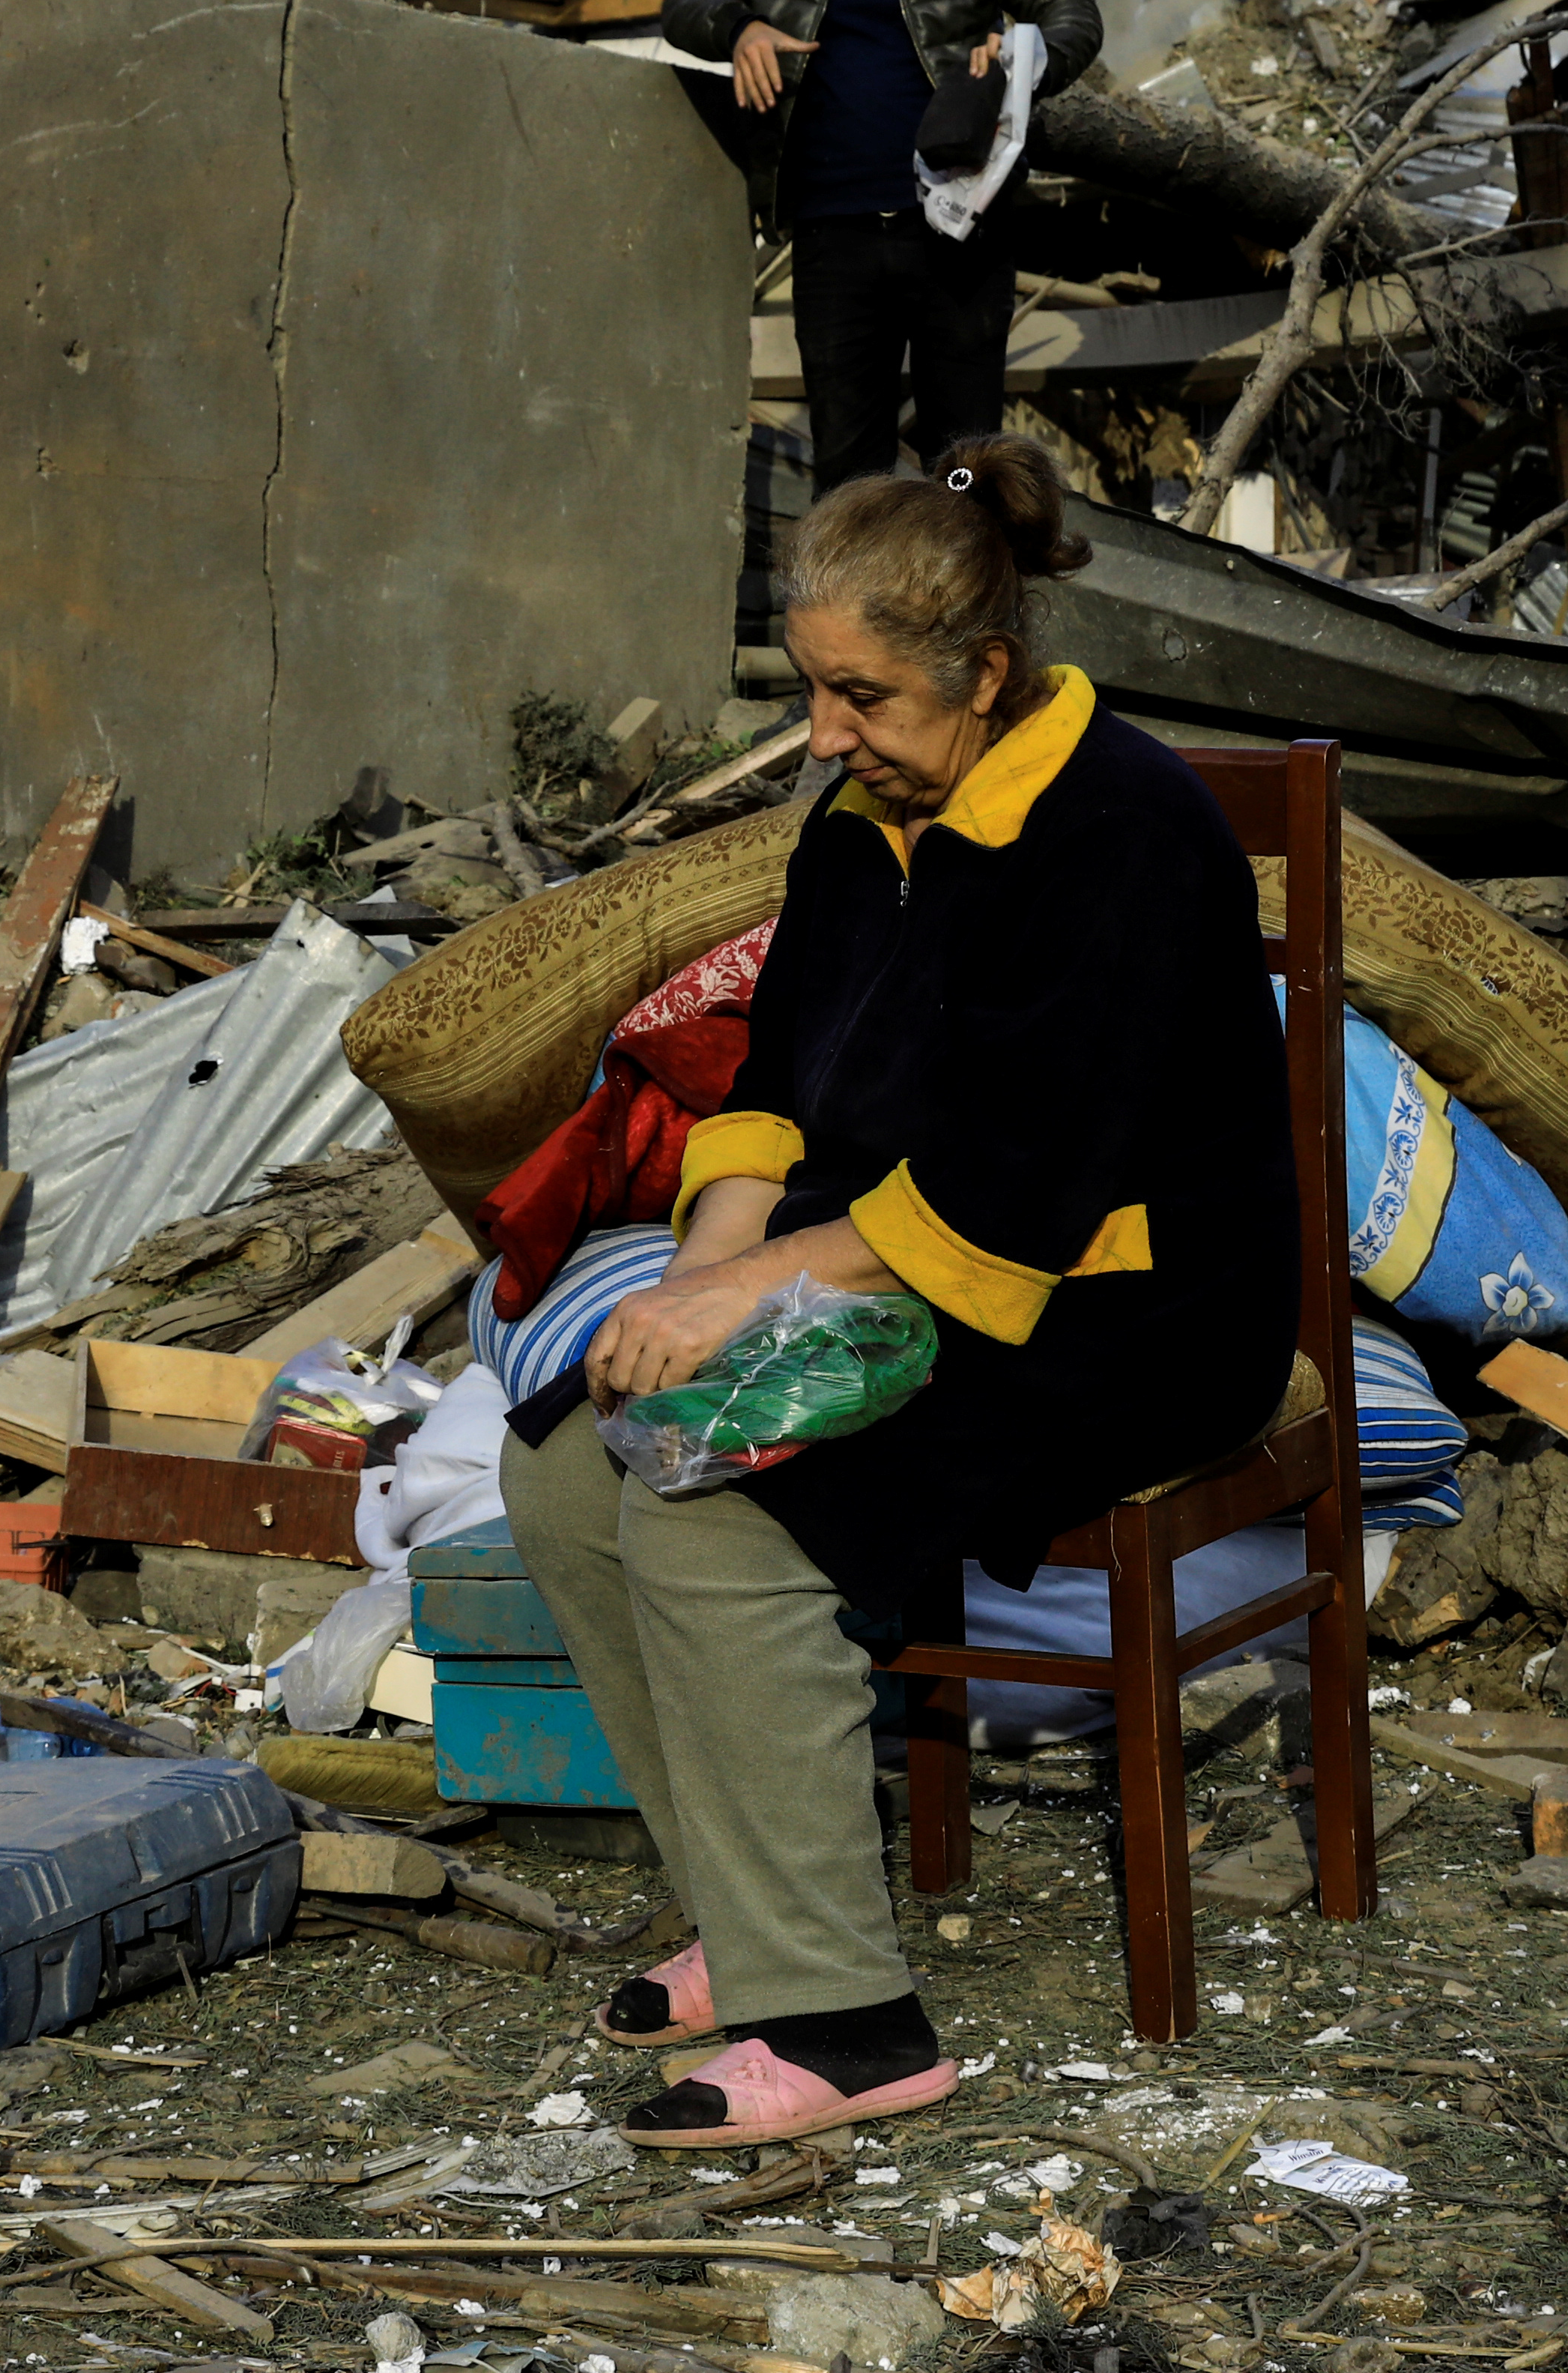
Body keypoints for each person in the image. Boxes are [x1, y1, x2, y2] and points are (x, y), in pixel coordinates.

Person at [491, 439, 1294, 2146]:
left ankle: (851, 2029)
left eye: (861, 695)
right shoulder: (862, 832)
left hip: (1127, 1313)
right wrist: (706, 1277)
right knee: (565, 1467)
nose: (828, 733)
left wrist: (761, 1290)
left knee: (716, 1508)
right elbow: (772, 1091)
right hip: (906, 1274)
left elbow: (1031, 1180)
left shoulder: (1124, 832)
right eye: (816, 690)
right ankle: (755, 1911)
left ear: (984, 673)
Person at [656, 0, 1103, 495]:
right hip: (835, 241)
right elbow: (686, 0)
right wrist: (741, 27)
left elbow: (1074, 15)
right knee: (850, 479)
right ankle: (855, 622)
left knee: (964, 475)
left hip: (962, 231)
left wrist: (1017, 57)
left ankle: (961, 619)